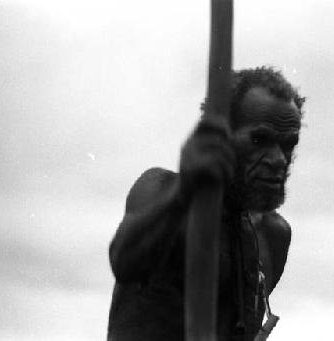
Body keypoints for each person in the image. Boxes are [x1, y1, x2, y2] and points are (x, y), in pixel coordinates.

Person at [107, 67, 305, 341]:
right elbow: (126, 262)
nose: (279, 159)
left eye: (288, 144)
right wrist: (185, 188)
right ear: (221, 137)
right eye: (259, 140)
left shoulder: (274, 235)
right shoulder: (161, 191)